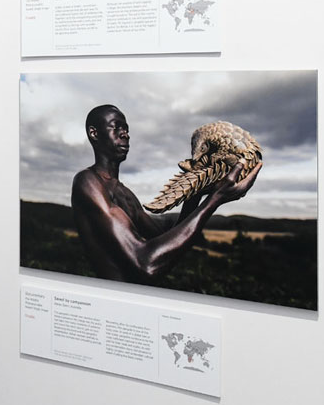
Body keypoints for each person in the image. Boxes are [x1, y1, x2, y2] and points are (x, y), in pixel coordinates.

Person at [71, 104, 262, 283]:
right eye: (117, 127)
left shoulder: (123, 192)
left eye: (127, 129)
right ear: (94, 134)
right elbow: (146, 263)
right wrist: (216, 199)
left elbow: (165, 236)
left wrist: (195, 193)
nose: (126, 134)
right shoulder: (87, 182)